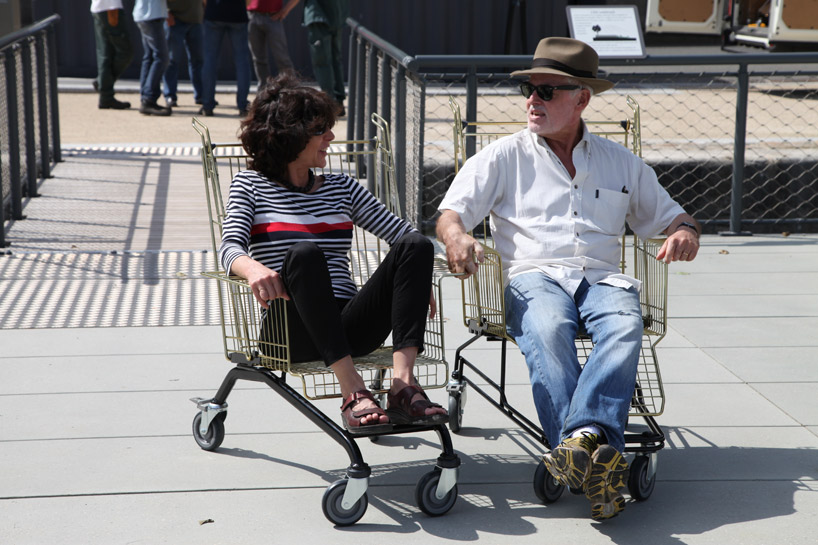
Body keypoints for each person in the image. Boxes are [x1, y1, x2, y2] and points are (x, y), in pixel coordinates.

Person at [436, 37, 700, 520]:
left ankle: (579, 445)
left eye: (547, 91)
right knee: (548, 326)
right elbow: (451, 215)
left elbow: (674, 217)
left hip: (600, 278)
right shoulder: (502, 156)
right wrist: (456, 237)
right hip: (532, 275)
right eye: (529, 90)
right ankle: (596, 447)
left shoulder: (621, 162)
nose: (533, 101)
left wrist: (685, 232)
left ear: (582, 98)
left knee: (624, 324)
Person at [219, 73, 448, 434]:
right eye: (320, 130)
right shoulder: (250, 185)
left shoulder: (341, 187)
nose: (330, 137)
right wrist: (251, 269)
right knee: (304, 254)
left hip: (351, 325)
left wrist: (414, 280)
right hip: (289, 332)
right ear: (290, 135)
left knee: (416, 244)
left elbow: (403, 235)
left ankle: (403, 385)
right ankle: (352, 389)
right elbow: (230, 246)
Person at [200, 0, 252, 117]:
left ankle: (207, 105)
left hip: (214, 12)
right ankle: (243, 105)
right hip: (238, 14)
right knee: (242, 61)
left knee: (210, 60)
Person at [303, 0, 348, 116]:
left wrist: (284, 11)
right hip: (336, 15)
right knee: (335, 60)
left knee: (322, 63)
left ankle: (329, 103)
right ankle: (337, 102)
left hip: (320, 17)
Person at [90, 0, 133, 110]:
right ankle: (104, 87)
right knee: (125, 52)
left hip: (100, 7)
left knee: (105, 53)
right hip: (110, 7)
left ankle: (105, 94)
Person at [246, 0, 298, 90]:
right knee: (258, 59)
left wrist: (285, 11)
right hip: (253, 16)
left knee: (282, 58)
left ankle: (291, 89)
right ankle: (264, 89)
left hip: (273, 16)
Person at [162, 0, 205, 108]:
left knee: (198, 60)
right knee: (172, 60)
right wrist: (166, 12)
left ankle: (201, 95)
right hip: (175, 19)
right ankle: (170, 95)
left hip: (196, 19)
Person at [133, 0, 172, 116]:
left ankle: (146, 98)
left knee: (150, 58)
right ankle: (148, 99)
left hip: (145, 14)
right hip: (151, 16)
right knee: (162, 58)